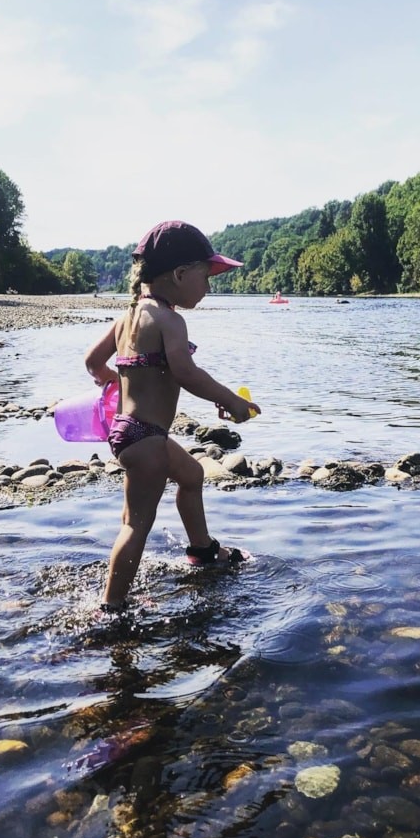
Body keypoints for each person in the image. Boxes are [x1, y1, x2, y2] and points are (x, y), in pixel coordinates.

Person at [84, 220, 262, 613]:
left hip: (133, 432)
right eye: (206, 277)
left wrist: (115, 381)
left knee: (192, 474)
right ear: (180, 274)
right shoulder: (170, 320)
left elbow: (93, 362)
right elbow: (185, 372)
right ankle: (110, 607)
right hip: (146, 439)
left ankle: (202, 550)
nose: (208, 287)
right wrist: (230, 400)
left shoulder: (128, 316)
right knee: (135, 525)